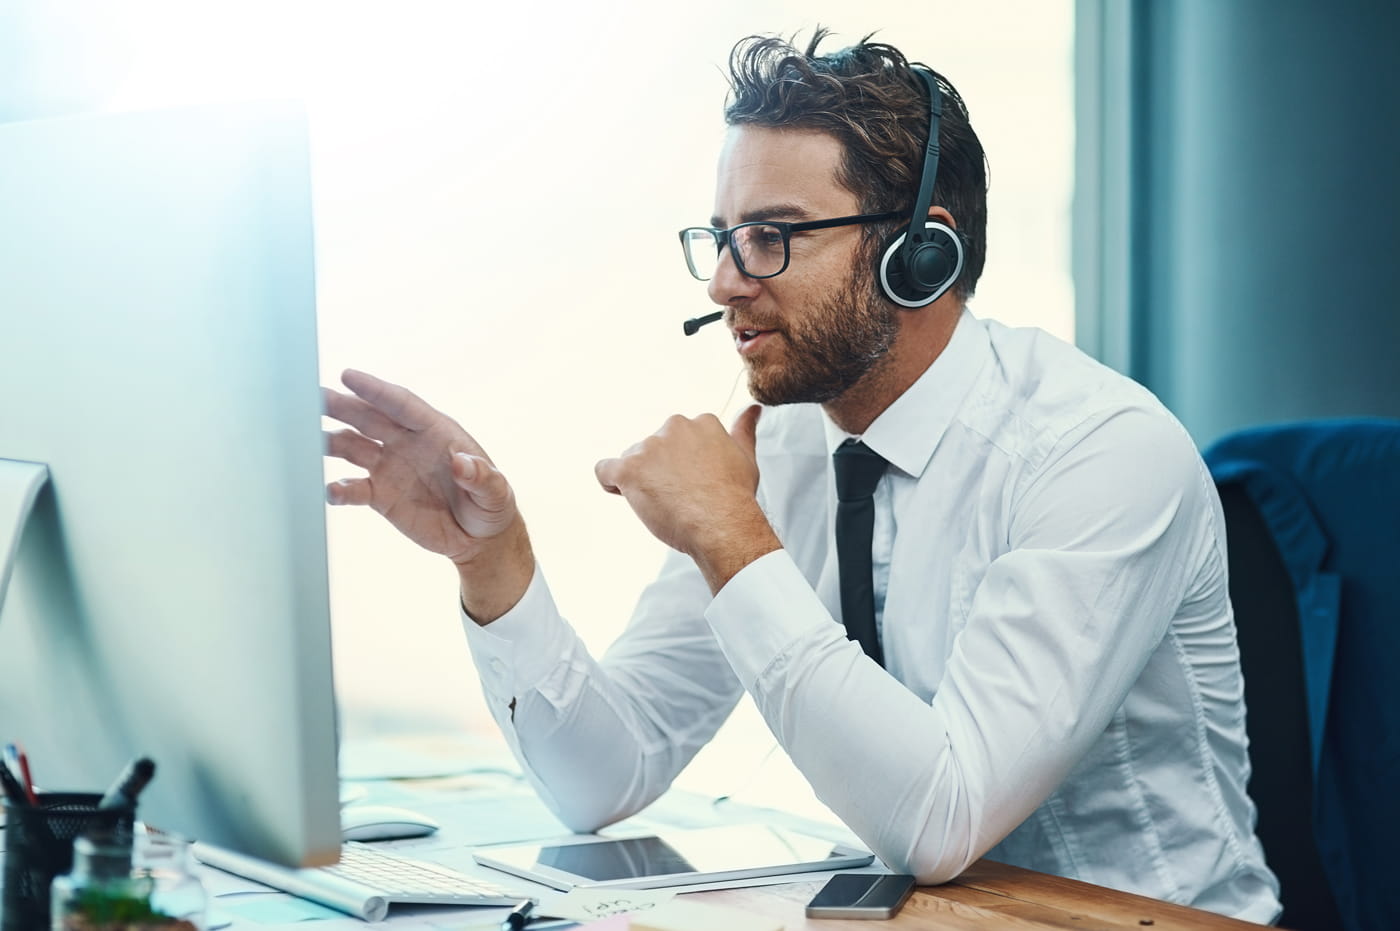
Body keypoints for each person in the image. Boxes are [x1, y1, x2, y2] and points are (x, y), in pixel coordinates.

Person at [322, 30, 1281, 923]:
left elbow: (940, 819)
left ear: (920, 253)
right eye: (722, 236)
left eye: (773, 235)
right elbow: (600, 778)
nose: (724, 282)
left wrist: (731, 537)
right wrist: (494, 563)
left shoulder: (1098, 451)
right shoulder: (783, 449)